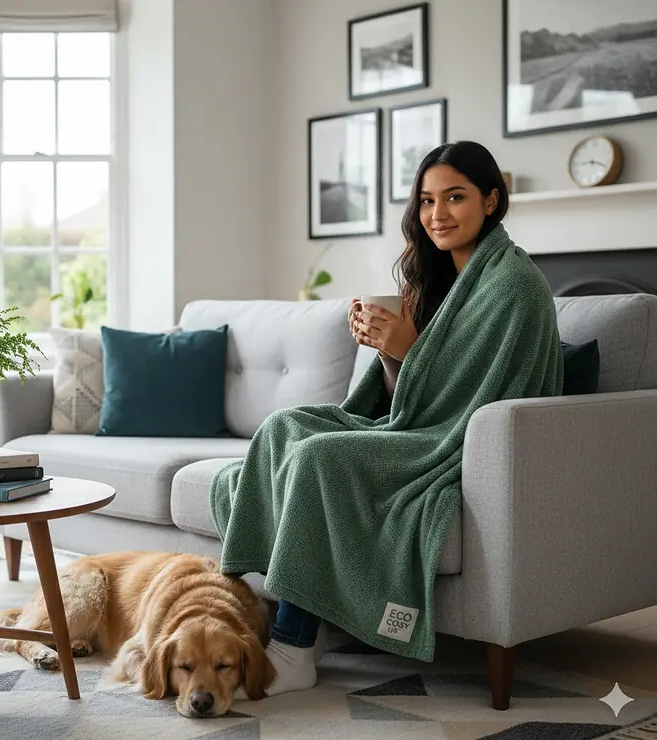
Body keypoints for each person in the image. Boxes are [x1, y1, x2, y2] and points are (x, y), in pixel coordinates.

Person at [221, 141, 562, 697]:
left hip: (451, 443)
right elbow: (405, 399)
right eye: (426, 201)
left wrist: (410, 347)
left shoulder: (515, 286)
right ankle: (263, 609)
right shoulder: (437, 278)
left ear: (492, 200)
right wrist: (388, 351)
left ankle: (292, 646)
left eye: (455, 197)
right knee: (283, 428)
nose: (438, 215)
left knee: (316, 456)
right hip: (416, 425)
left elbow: (473, 401)